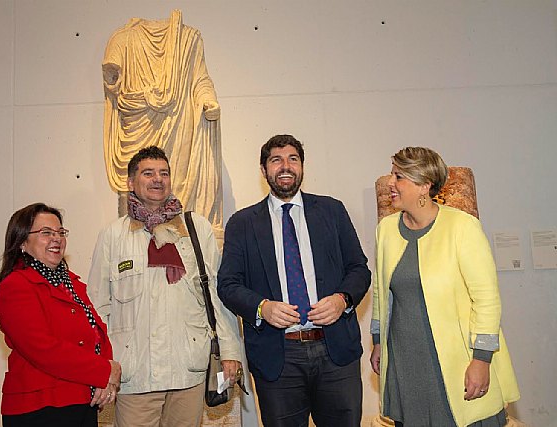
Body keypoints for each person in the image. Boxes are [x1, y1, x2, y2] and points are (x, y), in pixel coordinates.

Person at [218, 134, 371, 426]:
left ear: (302, 167)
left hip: (335, 352)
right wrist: (263, 307)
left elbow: (359, 269)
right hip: (278, 358)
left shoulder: (332, 211)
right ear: (264, 170)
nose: (285, 166)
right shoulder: (242, 223)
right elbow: (228, 284)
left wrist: (343, 300)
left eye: (293, 159)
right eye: (276, 160)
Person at [87, 146, 243, 427]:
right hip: (134, 374)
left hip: (189, 370)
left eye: (164, 173)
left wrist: (231, 352)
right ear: (131, 182)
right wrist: (101, 368)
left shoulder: (197, 228)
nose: (158, 179)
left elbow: (217, 295)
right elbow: (98, 308)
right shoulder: (112, 235)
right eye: (148, 173)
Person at [370, 147, 520, 427]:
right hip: (405, 362)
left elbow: (486, 299)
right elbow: (381, 291)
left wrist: (482, 360)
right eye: (392, 174)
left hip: (457, 361)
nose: (390, 182)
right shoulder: (386, 230)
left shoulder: (462, 227)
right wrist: (378, 341)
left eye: (399, 176)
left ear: (424, 184)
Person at [0, 203, 121, 427]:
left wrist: (107, 375)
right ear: (23, 241)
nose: (57, 238)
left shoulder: (72, 284)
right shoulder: (15, 285)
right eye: (46, 233)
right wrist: (105, 371)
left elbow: (97, 332)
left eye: (60, 232)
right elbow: (42, 349)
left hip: (82, 401)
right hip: (40, 409)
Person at [102, 9, 224, 236]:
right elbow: (112, 76)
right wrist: (113, 76)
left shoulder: (188, 38)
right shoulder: (123, 38)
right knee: (139, 188)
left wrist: (208, 100)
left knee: (178, 186)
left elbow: (200, 78)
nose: (157, 179)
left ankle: (183, 236)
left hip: (178, 119)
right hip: (138, 121)